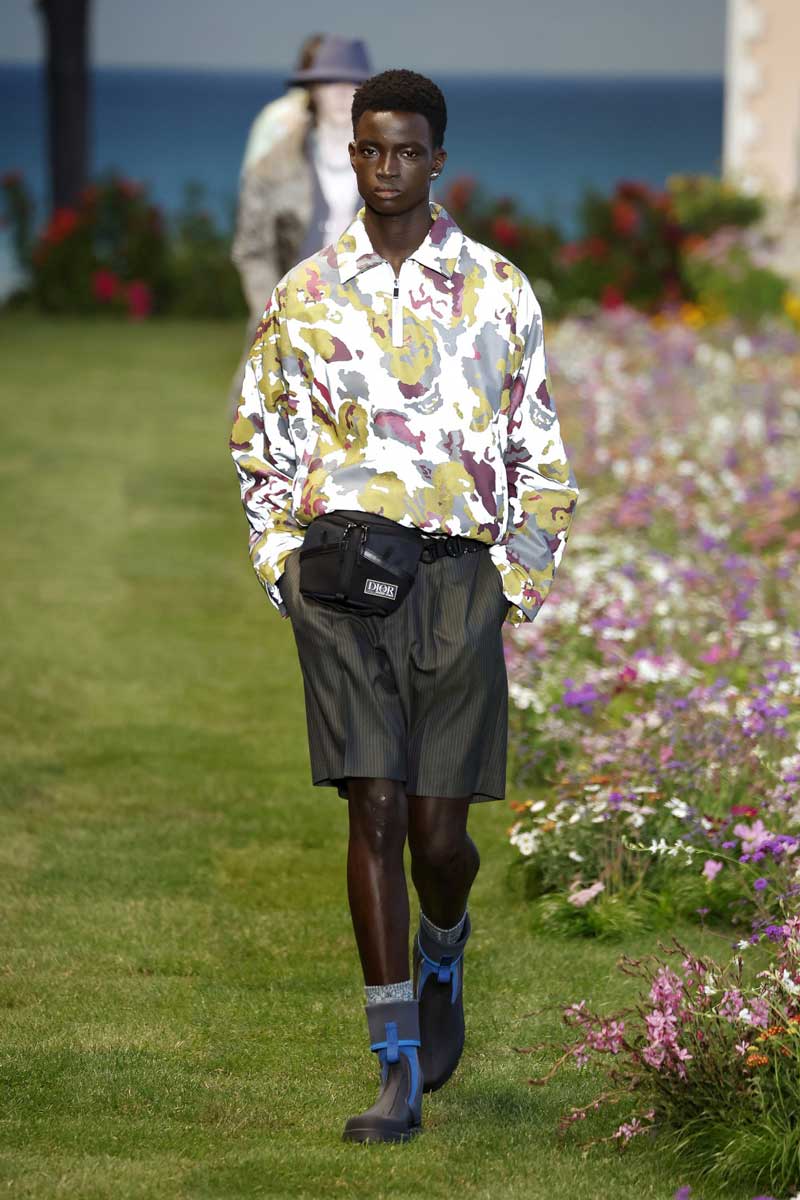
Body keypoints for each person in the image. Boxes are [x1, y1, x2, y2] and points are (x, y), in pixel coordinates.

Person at [230, 69, 579, 1143]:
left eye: (407, 151)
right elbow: (259, 441)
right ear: (353, 156)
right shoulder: (306, 294)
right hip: (340, 582)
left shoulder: (498, 289)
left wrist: (512, 583)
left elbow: (539, 450)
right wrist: (285, 568)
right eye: (371, 149)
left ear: (438, 160)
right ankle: (394, 1066)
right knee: (373, 810)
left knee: (438, 835)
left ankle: (445, 943)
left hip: (460, 579)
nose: (388, 168)